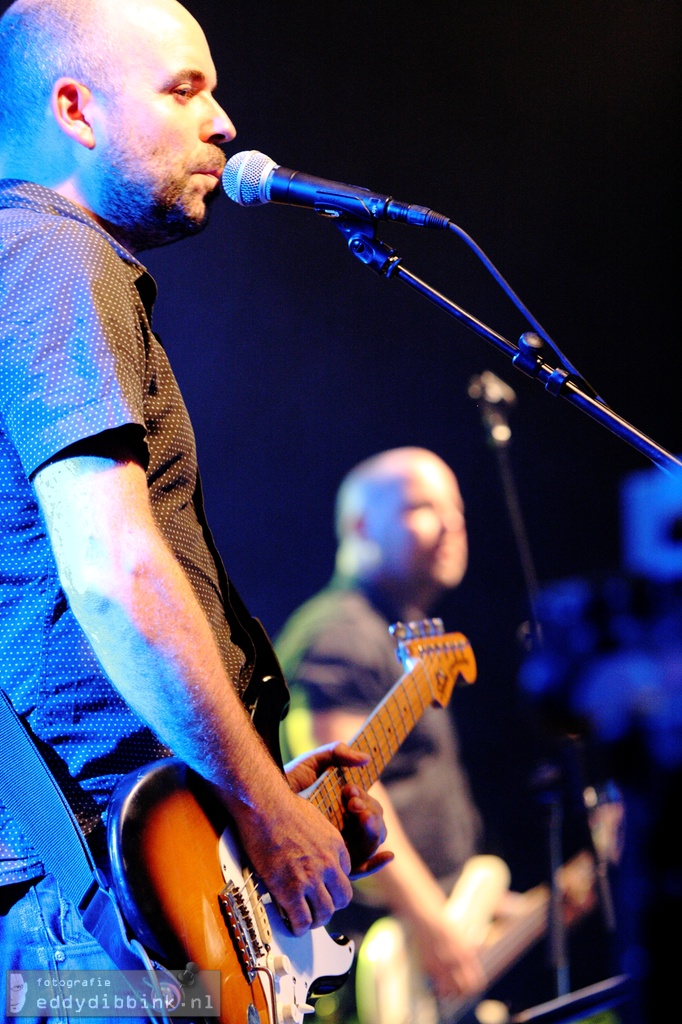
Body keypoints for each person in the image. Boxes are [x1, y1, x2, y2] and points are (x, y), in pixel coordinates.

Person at [0, 0, 387, 1010]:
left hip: (95, 910)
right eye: (185, 89)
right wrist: (267, 810)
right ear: (76, 109)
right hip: (92, 916)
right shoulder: (50, 252)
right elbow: (116, 571)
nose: (223, 121)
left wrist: (267, 791)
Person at [276, 447, 492, 1020]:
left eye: (458, 508)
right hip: (381, 953)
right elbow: (343, 789)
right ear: (360, 526)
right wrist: (431, 925)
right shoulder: (340, 634)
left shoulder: (390, 634)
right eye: (422, 506)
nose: (451, 523)